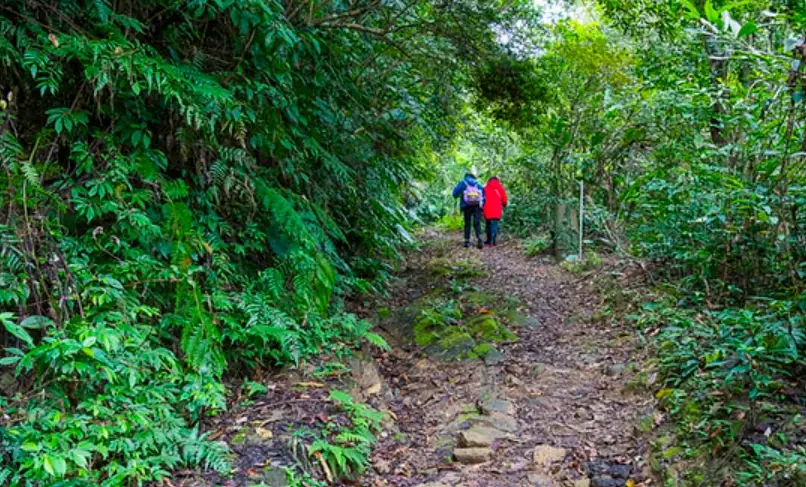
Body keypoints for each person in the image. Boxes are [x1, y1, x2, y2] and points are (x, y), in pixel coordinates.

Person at [452, 172, 485, 248]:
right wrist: (482, 206)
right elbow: (483, 196)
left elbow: (454, 194)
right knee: (477, 223)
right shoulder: (477, 184)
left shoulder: (463, 183)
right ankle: (479, 238)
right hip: (477, 206)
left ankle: (467, 241)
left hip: (466, 206)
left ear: (466, 177)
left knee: (467, 223)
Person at [483, 176, 508, 246]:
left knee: (488, 224)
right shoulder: (500, 188)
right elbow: (504, 200)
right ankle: (493, 241)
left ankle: (488, 240)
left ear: (489, 181)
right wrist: (504, 204)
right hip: (496, 210)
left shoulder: (485, 188)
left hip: (487, 209)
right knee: (494, 225)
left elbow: (482, 198)